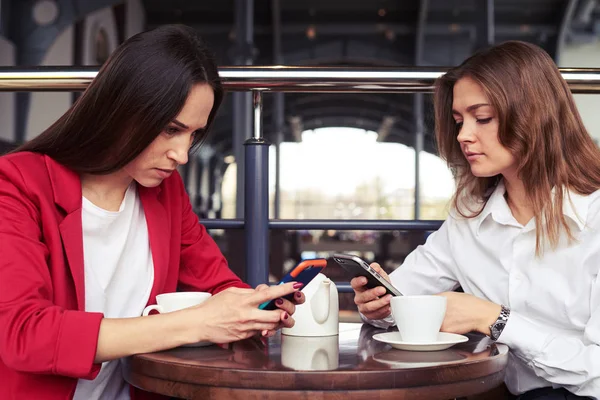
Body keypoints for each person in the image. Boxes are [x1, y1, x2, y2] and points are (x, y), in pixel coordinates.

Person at [0, 25, 304, 400]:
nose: (182, 154)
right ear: (120, 108)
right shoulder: (17, 184)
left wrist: (252, 308)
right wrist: (197, 322)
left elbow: (216, 283)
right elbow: (24, 333)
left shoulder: (164, 190)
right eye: (170, 129)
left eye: (193, 135)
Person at [353, 41, 600, 400]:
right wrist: (379, 305)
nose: (464, 135)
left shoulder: (593, 214)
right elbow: (403, 295)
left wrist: (495, 319)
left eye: (482, 118)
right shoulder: (470, 213)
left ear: (534, 115)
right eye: (458, 121)